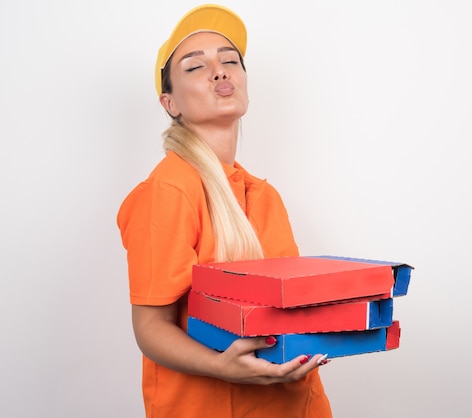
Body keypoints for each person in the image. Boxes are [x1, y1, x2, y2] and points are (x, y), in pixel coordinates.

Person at [117, 4, 333, 417]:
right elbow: (150, 328)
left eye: (229, 61)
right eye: (195, 67)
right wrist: (223, 367)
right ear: (170, 102)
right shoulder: (169, 191)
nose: (219, 71)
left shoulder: (263, 195)